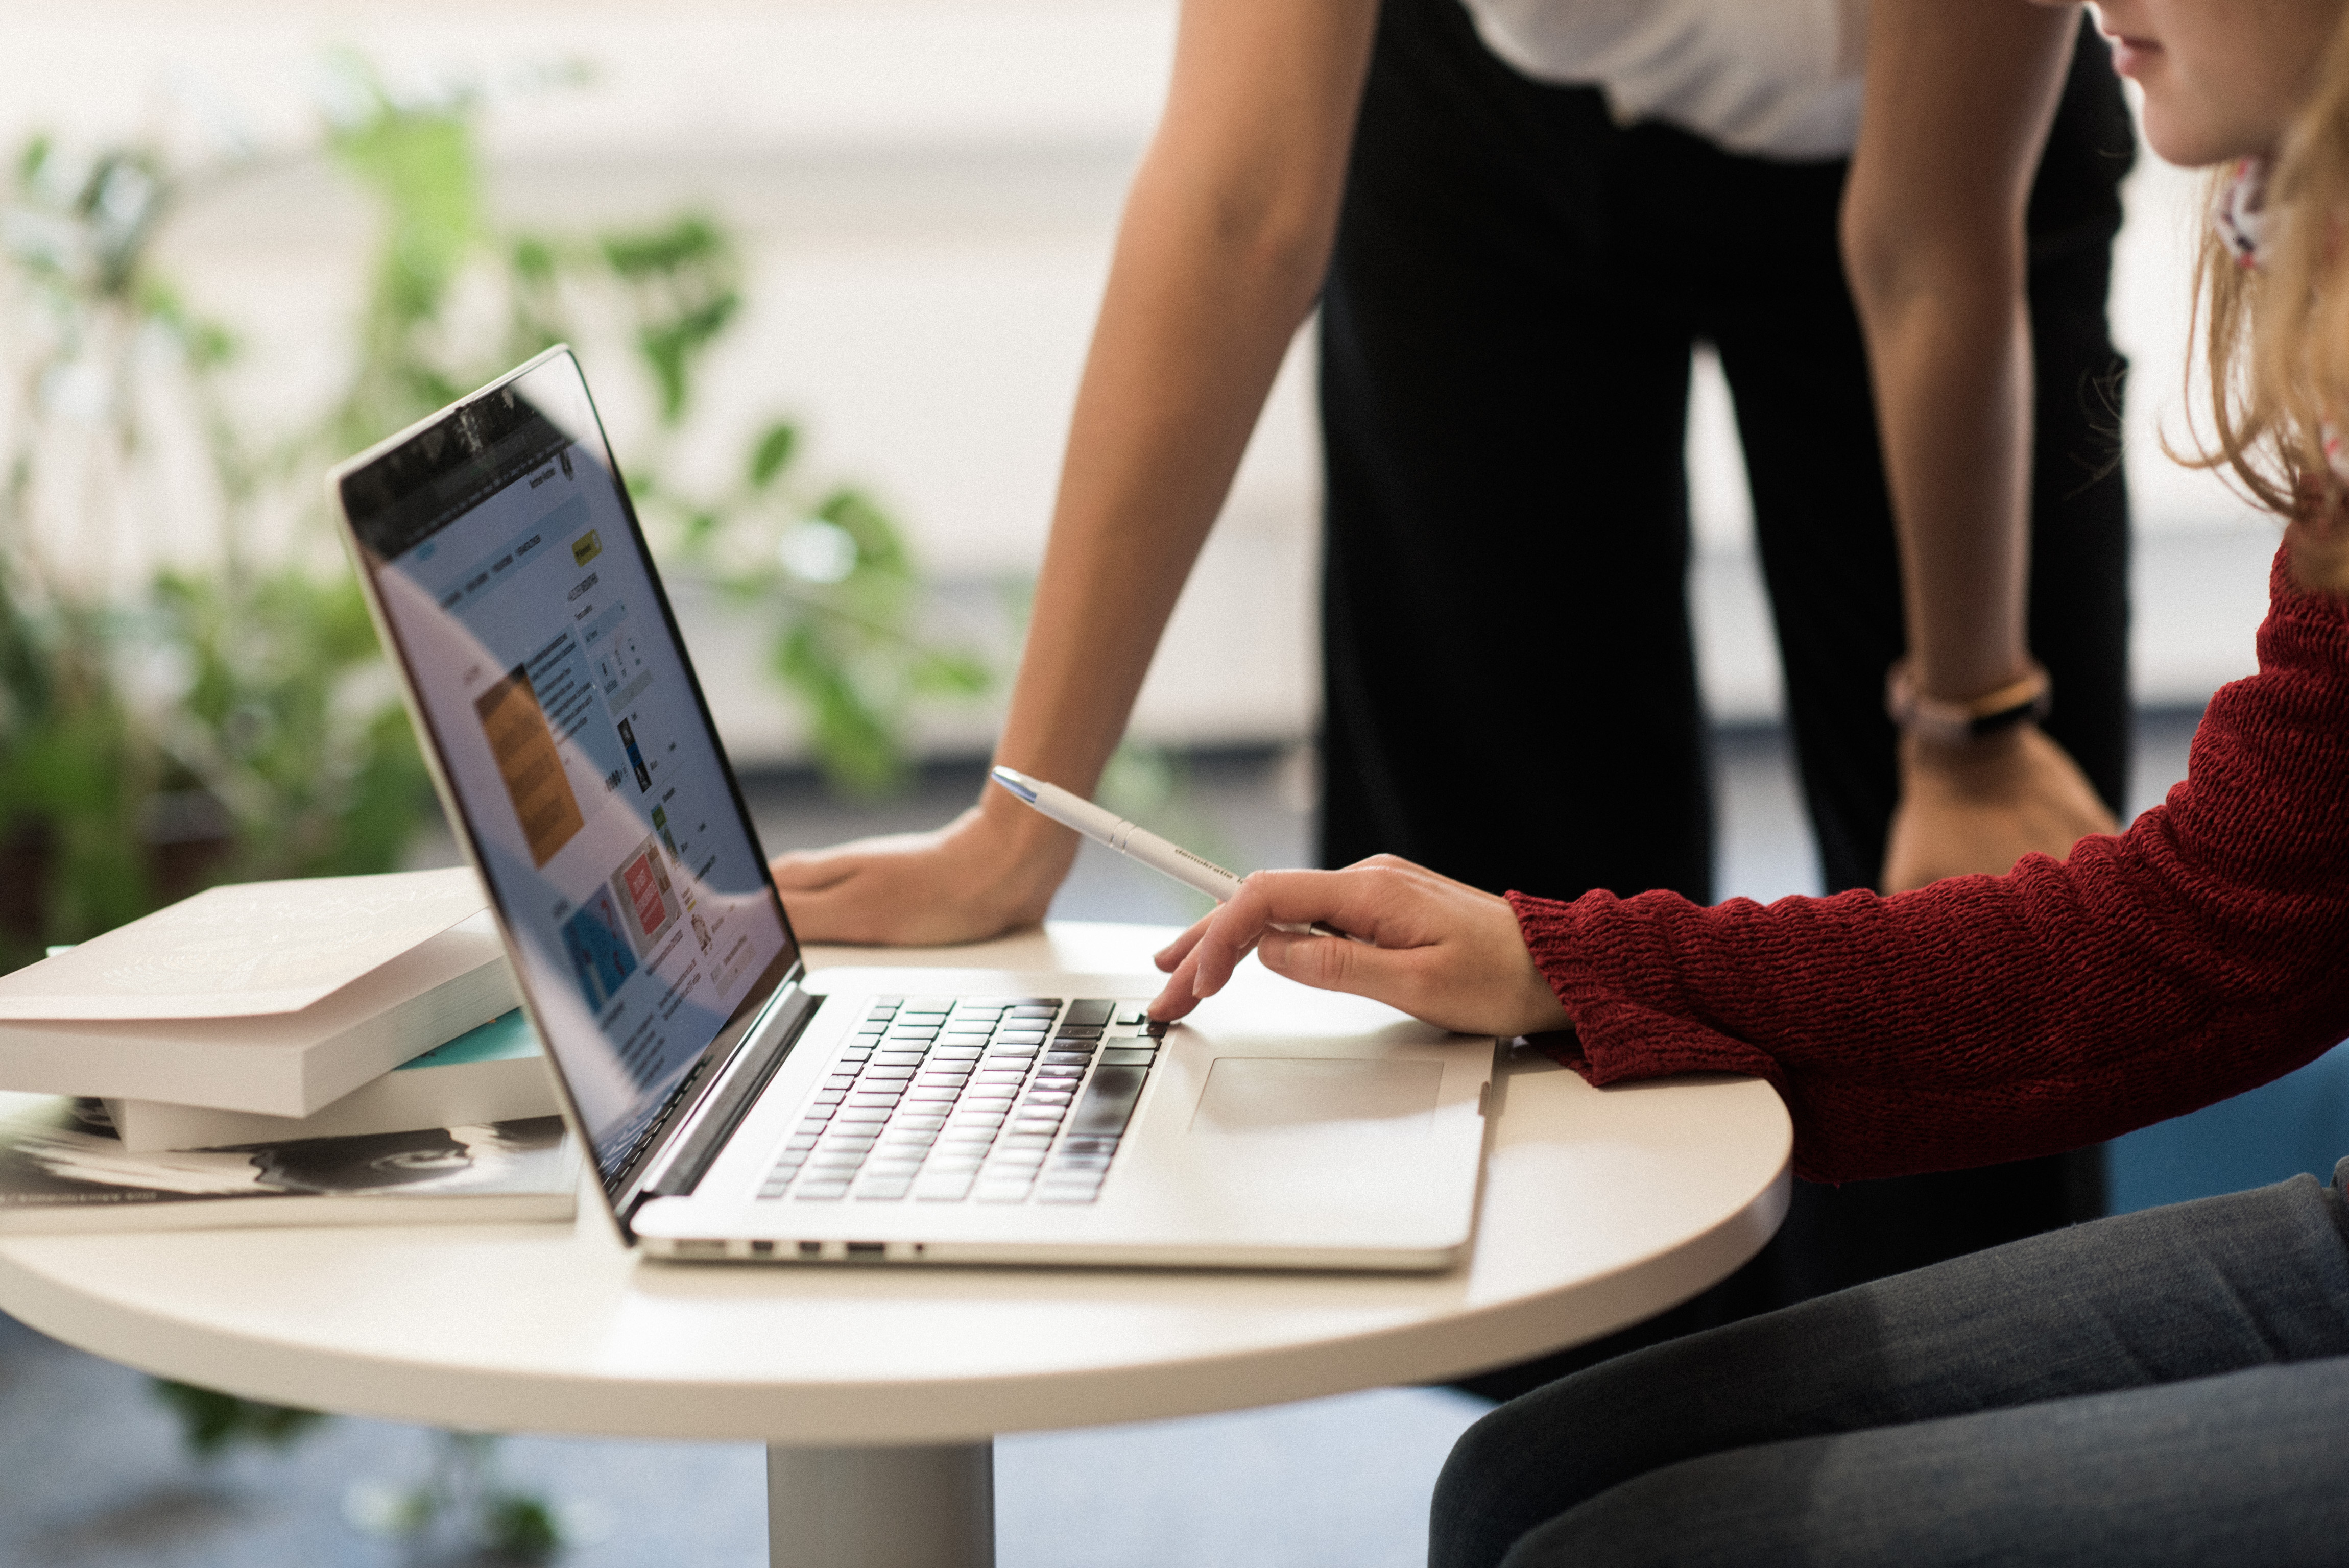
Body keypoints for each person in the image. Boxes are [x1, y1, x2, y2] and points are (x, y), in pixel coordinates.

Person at [772, 0, 2135, 1375]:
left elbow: (1925, 246)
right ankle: (1615, 1457)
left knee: (1985, 978)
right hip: (1487, 123)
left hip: (1937, 170)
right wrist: (1023, 826)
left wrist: (1969, 734)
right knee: (1508, 975)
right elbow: (1239, 201)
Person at [1146, 0, 2349, 1556]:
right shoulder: (2304, 260)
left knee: (1632, 1545)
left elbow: (1933, 232)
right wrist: (1560, 964)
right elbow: (2228, 923)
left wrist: (1969, 720)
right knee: (1525, 1476)